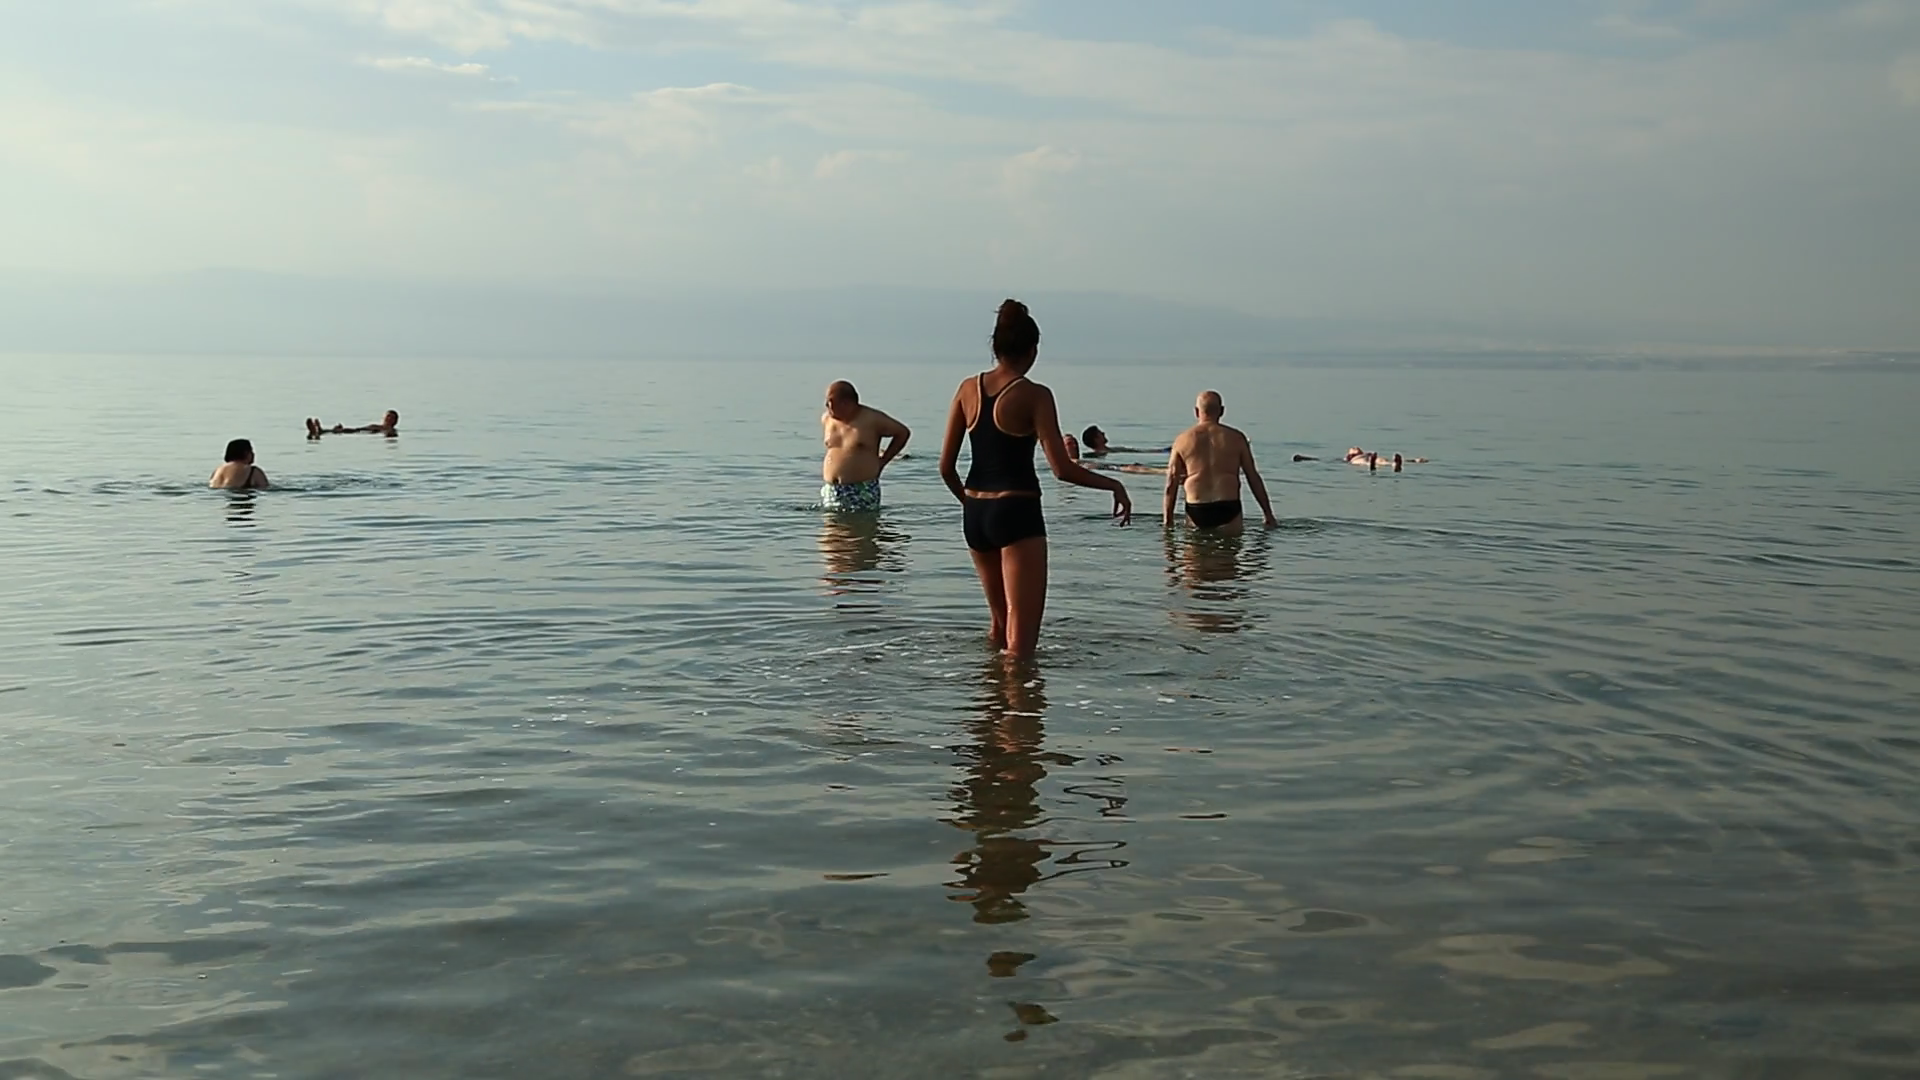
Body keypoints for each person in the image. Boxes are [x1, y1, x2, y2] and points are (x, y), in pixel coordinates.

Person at [938, 300, 1132, 658]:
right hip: (1017, 511)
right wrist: (1113, 485)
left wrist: (972, 505)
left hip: (976, 515)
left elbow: (946, 467)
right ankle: (1021, 712)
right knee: (1022, 645)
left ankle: (988, 709)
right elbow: (1062, 468)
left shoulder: (967, 389)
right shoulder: (1035, 395)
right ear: (1032, 350)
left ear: (995, 348)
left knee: (999, 628)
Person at [1163, 391, 1277, 533]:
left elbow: (1171, 482)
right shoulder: (1237, 438)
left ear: (1196, 412)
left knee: (1194, 553)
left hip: (1197, 508)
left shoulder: (1182, 440)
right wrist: (1267, 513)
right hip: (1228, 507)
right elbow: (1252, 477)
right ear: (1222, 411)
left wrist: (1168, 520)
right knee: (1228, 553)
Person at [820, 381, 910, 512]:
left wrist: (883, 461)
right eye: (827, 402)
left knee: (863, 531)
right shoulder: (827, 419)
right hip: (832, 490)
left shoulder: (872, 419)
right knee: (832, 531)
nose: (827, 406)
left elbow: (902, 433)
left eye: (831, 402)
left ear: (847, 402)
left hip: (862, 489)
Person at [307, 410, 399, 438]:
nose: (388, 418)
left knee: (347, 431)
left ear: (394, 421)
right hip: (361, 429)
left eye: (390, 417)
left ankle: (320, 431)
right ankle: (320, 430)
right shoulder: (381, 426)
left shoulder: (389, 430)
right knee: (346, 430)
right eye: (387, 416)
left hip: (364, 432)